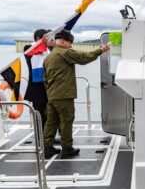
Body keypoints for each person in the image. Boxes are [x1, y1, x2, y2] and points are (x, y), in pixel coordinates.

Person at [43, 29, 110, 159]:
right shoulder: (64, 52)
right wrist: (101, 50)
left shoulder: (48, 57)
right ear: (63, 41)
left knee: (51, 122)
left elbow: (45, 79)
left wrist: (51, 92)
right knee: (66, 121)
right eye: (70, 42)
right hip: (64, 95)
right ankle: (67, 148)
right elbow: (83, 58)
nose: (71, 45)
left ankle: (47, 148)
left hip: (51, 95)